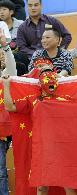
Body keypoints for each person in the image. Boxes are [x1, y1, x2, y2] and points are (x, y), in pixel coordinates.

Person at [2, 67, 77, 195]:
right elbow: (9, 106)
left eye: (53, 77)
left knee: (68, 185)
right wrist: (6, 85)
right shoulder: (32, 99)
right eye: (46, 77)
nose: (50, 79)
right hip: (42, 149)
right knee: (41, 187)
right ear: (40, 82)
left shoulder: (63, 99)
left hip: (62, 148)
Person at [16, 0, 72, 72]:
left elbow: (67, 36)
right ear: (27, 7)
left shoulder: (52, 21)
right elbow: (21, 47)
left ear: (41, 6)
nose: (33, 8)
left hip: (55, 59)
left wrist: (59, 50)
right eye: (30, 5)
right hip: (33, 61)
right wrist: (36, 55)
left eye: (36, 5)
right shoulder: (22, 27)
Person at [0, 27, 17, 195]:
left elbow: (11, 69)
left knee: (0, 172)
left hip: (3, 130)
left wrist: (5, 47)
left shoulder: (5, 77)